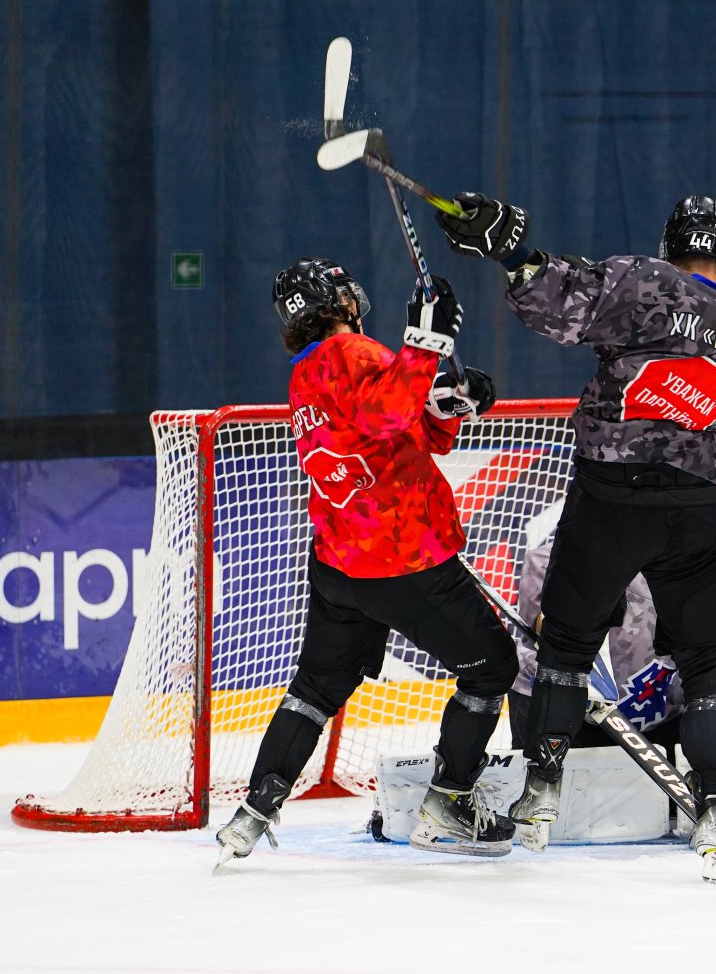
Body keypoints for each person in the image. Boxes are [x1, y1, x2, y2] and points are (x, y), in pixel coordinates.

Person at [433, 193, 716, 881]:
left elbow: (559, 303)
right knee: (714, 656)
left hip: (610, 489)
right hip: (692, 500)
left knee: (567, 641)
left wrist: (511, 252)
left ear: (670, 244)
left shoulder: (644, 280)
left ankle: (541, 790)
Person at [216, 257, 519, 863]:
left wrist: (447, 403)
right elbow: (385, 414)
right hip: (404, 558)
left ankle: (254, 811)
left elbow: (394, 423)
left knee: (317, 687)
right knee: (491, 668)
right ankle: (448, 804)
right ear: (336, 301)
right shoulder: (349, 351)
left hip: (338, 563)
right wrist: (424, 342)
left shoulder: (305, 373)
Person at [506, 520, 716, 795]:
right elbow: (543, 562)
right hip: (564, 705)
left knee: (684, 801)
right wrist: (563, 633)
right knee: (555, 802)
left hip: (658, 730)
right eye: (715, 596)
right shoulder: (628, 578)